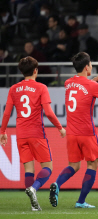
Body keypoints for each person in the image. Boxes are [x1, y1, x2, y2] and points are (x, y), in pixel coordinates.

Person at [49, 52, 98, 208]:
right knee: (92, 164)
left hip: (71, 133)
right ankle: (81, 201)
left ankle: (57, 184)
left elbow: (82, 86)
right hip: (86, 132)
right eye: (91, 64)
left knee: (74, 165)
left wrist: (95, 79)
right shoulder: (92, 85)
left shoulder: (68, 83)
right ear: (87, 67)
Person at [0, 56, 66, 211]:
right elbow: (49, 112)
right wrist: (60, 127)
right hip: (36, 133)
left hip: (21, 134)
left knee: (29, 169)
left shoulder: (13, 89)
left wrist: (2, 131)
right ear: (36, 71)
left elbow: (7, 113)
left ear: (22, 72)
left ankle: (33, 205)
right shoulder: (41, 87)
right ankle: (34, 188)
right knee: (48, 167)